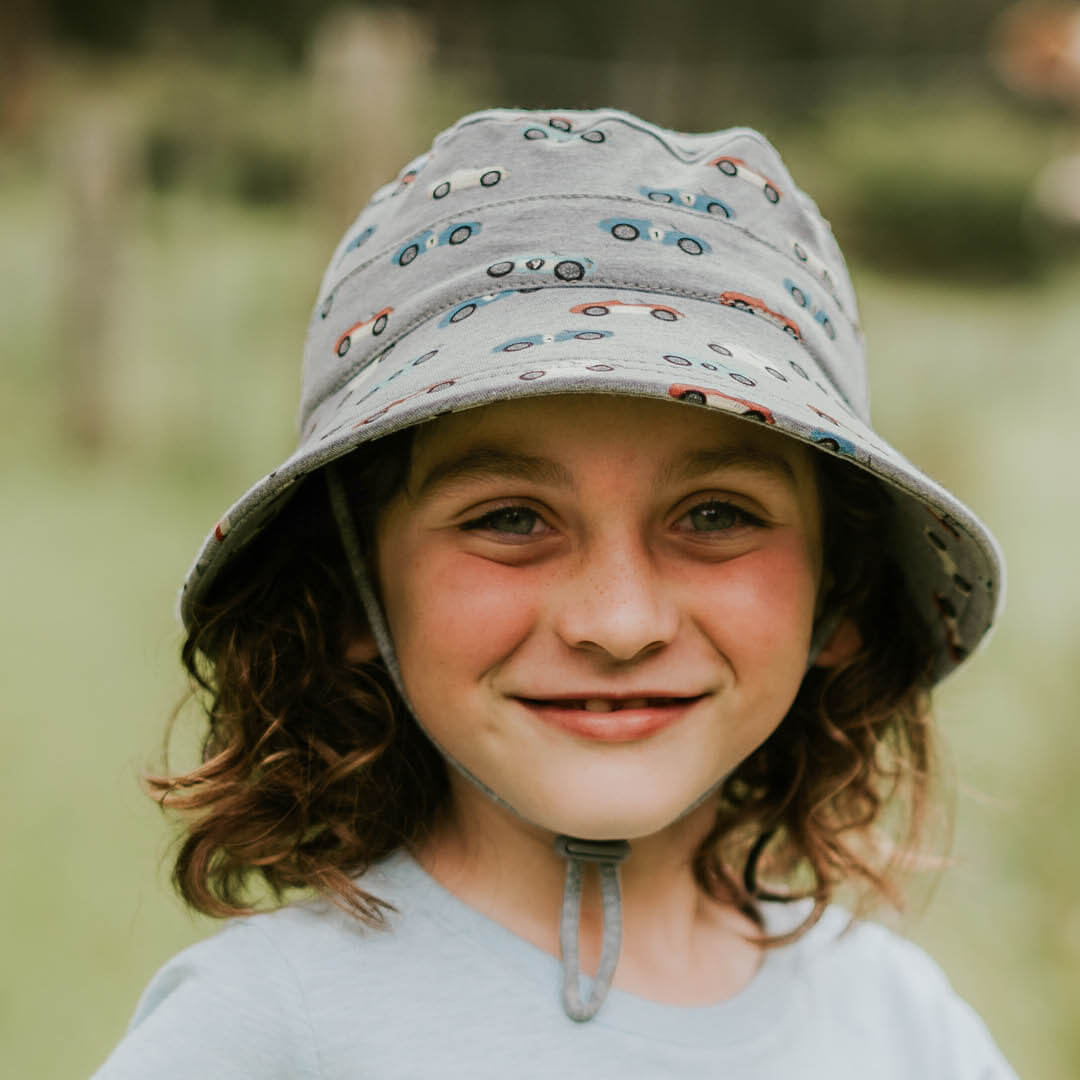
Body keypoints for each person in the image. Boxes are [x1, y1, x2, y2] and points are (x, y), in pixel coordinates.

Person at [92, 108, 1017, 1078]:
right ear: (351, 589)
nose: (618, 623)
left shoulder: (907, 1032)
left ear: (843, 591)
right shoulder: (261, 1036)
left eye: (713, 516)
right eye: (510, 519)